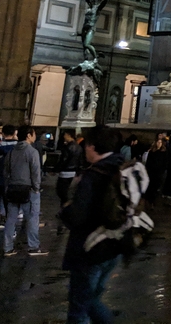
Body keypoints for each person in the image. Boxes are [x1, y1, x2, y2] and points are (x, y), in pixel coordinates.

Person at [60, 126, 125, 324]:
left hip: (90, 248)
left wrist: (67, 207)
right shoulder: (124, 168)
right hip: (114, 245)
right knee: (91, 299)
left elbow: (77, 217)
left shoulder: (93, 175)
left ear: (92, 147)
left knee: (81, 307)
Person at [3, 125, 47, 257]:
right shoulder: (32, 152)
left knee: (11, 219)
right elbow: (35, 172)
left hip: (13, 188)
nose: (35, 136)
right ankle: (33, 246)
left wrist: (8, 186)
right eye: (33, 133)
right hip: (28, 189)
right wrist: (36, 187)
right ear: (28, 135)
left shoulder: (11, 152)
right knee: (32, 218)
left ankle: (7, 247)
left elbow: (6, 172)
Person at [56, 130, 83, 233]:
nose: (64, 137)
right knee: (69, 193)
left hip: (65, 172)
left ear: (69, 136)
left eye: (65, 135)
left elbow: (63, 160)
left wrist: (56, 169)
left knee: (62, 192)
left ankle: (64, 210)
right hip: (74, 172)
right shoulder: (79, 147)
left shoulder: (67, 148)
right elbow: (81, 160)